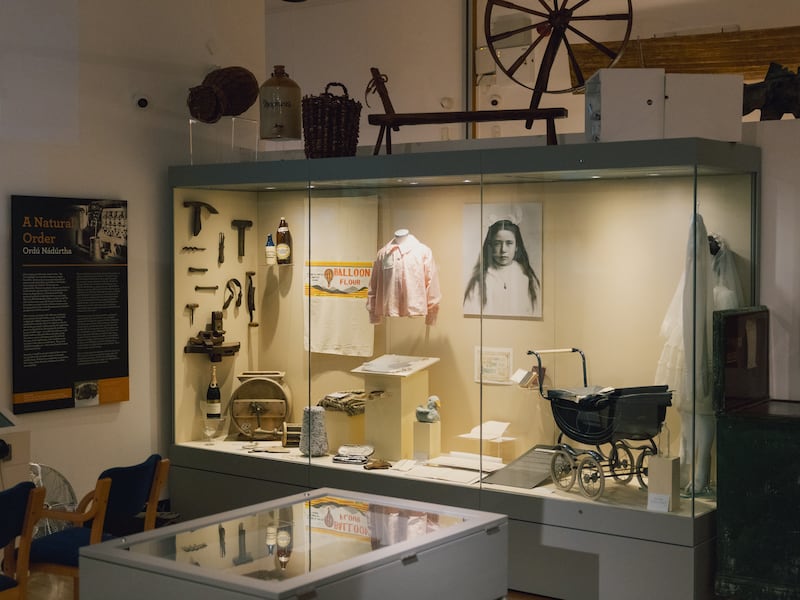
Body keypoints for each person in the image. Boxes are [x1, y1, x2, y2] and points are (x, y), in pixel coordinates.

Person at [463, 219, 540, 317]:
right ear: (490, 246)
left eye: (509, 243)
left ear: (517, 246)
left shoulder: (526, 277)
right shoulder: (481, 279)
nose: (503, 249)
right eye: (497, 243)